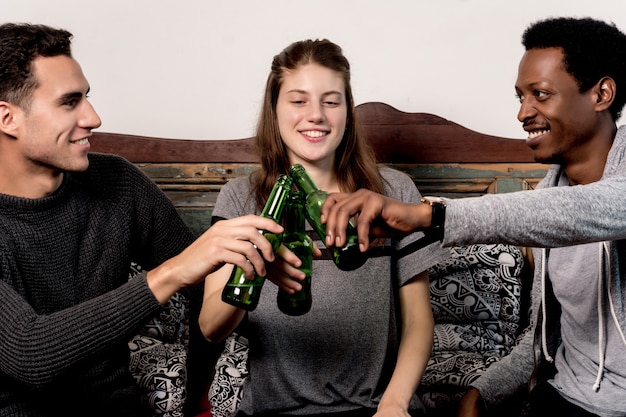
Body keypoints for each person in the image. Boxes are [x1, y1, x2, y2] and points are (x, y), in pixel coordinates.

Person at [321, 16, 626, 417]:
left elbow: (595, 208)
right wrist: (482, 392)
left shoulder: (576, 201)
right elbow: (543, 336)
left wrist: (427, 216)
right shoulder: (551, 192)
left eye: (541, 94)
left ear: (601, 93)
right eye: (520, 97)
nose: (523, 113)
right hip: (563, 398)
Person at [0, 23, 284, 417]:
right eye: (69, 102)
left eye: (87, 98)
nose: (94, 118)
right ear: (7, 118)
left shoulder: (117, 181)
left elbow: (204, 290)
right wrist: (170, 274)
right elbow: (29, 354)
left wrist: (250, 268)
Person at [198, 39, 448, 417]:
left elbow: (417, 320)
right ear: (275, 109)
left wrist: (394, 404)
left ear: (347, 110)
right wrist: (258, 262)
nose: (315, 115)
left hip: (376, 408)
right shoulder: (239, 199)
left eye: (331, 101)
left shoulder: (394, 192)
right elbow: (211, 328)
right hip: (273, 411)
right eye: (298, 101)